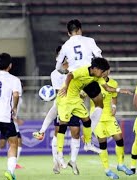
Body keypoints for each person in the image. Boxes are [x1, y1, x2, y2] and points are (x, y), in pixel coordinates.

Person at [56, 19, 131, 133]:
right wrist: (102, 69)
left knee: (59, 107)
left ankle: (48, 136)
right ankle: (89, 133)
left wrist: (66, 72)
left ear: (68, 33)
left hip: (73, 78)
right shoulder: (89, 41)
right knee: (99, 104)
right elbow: (98, 57)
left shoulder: (65, 46)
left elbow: (58, 67)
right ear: (80, 29)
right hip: (88, 76)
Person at [56, 57, 132, 169]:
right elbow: (70, 75)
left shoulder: (97, 76)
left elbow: (107, 88)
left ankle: (88, 144)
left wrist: (120, 90)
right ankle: (59, 154)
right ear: (95, 68)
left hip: (76, 100)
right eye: (102, 71)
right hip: (65, 99)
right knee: (63, 125)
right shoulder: (83, 70)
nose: (103, 74)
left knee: (87, 120)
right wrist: (66, 86)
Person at [34, 46, 83, 174]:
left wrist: (82, 93)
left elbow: (82, 89)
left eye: (67, 57)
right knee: (58, 131)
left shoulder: (77, 71)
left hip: (74, 106)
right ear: (58, 58)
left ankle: (73, 161)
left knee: (76, 132)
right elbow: (59, 93)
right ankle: (56, 160)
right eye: (62, 57)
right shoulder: (55, 74)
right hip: (62, 105)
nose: (65, 60)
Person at [91, 70, 133, 179]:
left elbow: (114, 96)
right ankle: (107, 170)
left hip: (109, 116)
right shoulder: (92, 82)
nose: (104, 72)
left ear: (108, 71)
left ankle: (120, 164)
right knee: (103, 142)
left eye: (106, 70)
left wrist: (114, 107)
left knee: (119, 138)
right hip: (97, 116)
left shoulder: (113, 83)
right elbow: (83, 95)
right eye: (102, 70)